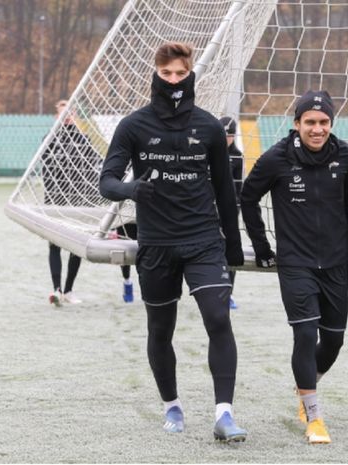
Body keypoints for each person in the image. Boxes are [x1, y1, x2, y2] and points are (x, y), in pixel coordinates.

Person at [99, 42, 247, 442]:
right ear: (156, 74)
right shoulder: (133, 126)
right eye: (167, 74)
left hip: (202, 240)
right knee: (161, 328)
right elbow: (107, 182)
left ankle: (224, 414)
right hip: (157, 244)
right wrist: (131, 190)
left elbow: (225, 192)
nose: (174, 80)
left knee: (219, 319)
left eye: (180, 74)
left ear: (190, 74)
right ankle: (172, 406)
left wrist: (232, 246)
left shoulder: (210, 127)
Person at [240, 90, 348, 444]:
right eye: (310, 122)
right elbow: (247, 197)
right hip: (296, 264)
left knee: (333, 342)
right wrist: (262, 247)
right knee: (305, 334)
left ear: (331, 124)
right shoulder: (277, 158)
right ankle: (314, 416)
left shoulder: (347, 156)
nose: (317, 129)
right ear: (297, 124)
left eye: (323, 122)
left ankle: (306, 386)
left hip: (335, 263)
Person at [42, 99, 100, 307]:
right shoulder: (49, 139)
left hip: (77, 202)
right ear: (56, 117)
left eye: (70, 112)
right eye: (62, 112)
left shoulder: (84, 140)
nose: (67, 115)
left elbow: (92, 166)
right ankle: (56, 290)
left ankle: (68, 290)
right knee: (55, 245)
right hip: (54, 202)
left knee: (76, 246)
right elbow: (45, 166)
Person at [219, 116, 243, 309]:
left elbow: (239, 187)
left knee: (231, 251)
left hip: (229, 211)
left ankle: (229, 293)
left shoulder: (237, 156)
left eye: (229, 135)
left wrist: (236, 210)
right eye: (223, 134)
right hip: (208, 211)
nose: (226, 138)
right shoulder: (209, 152)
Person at [116, 223, 138, 303]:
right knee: (123, 253)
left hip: (142, 218)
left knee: (145, 254)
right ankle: (127, 281)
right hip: (123, 220)